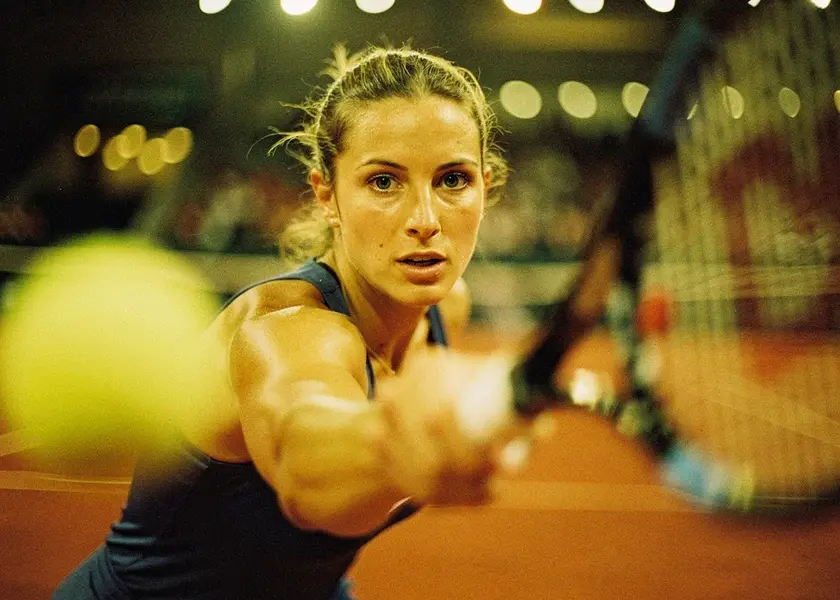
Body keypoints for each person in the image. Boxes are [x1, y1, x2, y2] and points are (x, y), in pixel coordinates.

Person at [54, 44, 512, 600]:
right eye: (384, 182)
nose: (424, 219)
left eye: (453, 180)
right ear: (327, 195)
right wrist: (397, 440)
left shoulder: (445, 308)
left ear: (486, 187)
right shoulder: (281, 328)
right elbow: (304, 463)